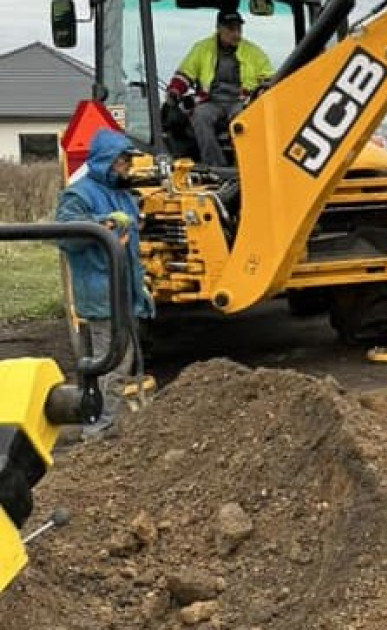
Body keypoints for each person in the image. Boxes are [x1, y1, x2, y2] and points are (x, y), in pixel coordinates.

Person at [56, 129, 155, 439]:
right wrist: (103, 223)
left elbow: (130, 249)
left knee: (119, 360)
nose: (128, 167)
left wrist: (140, 291)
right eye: (124, 161)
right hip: (101, 293)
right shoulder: (80, 195)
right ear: (107, 161)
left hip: (121, 290)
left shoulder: (122, 194)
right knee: (110, 361)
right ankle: (97, 428)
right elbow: (64, 235)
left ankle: (105, 421)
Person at [166, 10, 273, 166]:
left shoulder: (254, 52)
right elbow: (185, 74)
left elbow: (269, 78)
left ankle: (244, 165)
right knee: (200, 115)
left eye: (238, 29)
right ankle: (216, 167)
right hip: (211, 101)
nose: (236, 33)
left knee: (243, 118)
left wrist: (262, 91)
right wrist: (175, 91)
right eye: (231, 29)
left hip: (241, 101)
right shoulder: (202, 48)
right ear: (218, 28)